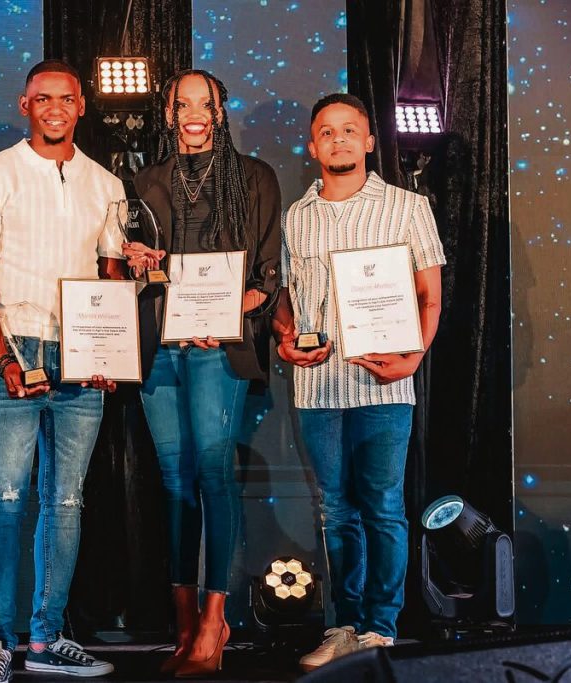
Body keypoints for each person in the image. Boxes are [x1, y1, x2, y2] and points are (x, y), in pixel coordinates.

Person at [0, 60, 125, 683]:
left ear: (82, 106)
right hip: (14, 348)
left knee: (67, 500)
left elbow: (110, 280)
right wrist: (3, 358)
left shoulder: (106, 184)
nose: (55, 107)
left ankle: (48, 638)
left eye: (67, 98)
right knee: (5, 498)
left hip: (80, 355)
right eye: (42, 98)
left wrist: (107, 352)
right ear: (24, 103)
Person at [273, 93, 446, 672]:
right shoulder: (295, 217)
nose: (339, 140)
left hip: (384, 387)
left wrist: (413, 357)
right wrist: (284, 336)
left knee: (383, 508)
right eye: (327, 132)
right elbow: (288, 302)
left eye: (351, 130)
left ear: (370, 141)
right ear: (313, 144)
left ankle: (381, 628)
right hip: (319, 388)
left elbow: (430, 294)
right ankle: (344, 625)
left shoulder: (406, 207)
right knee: (336, 512)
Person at [122, 69, 281, 677]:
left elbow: (267, 272)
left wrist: (228, 310)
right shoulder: (144, 181)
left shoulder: (254, 177)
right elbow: (134, 272)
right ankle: (184, 627)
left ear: (220, 110)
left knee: (214, 475)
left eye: (204, 103)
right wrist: (136, 262)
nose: (193, 113)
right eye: (181, 103)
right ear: (168, 112)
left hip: (219, 348)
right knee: (174, 482)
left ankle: (215, 625)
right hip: (160, 349)